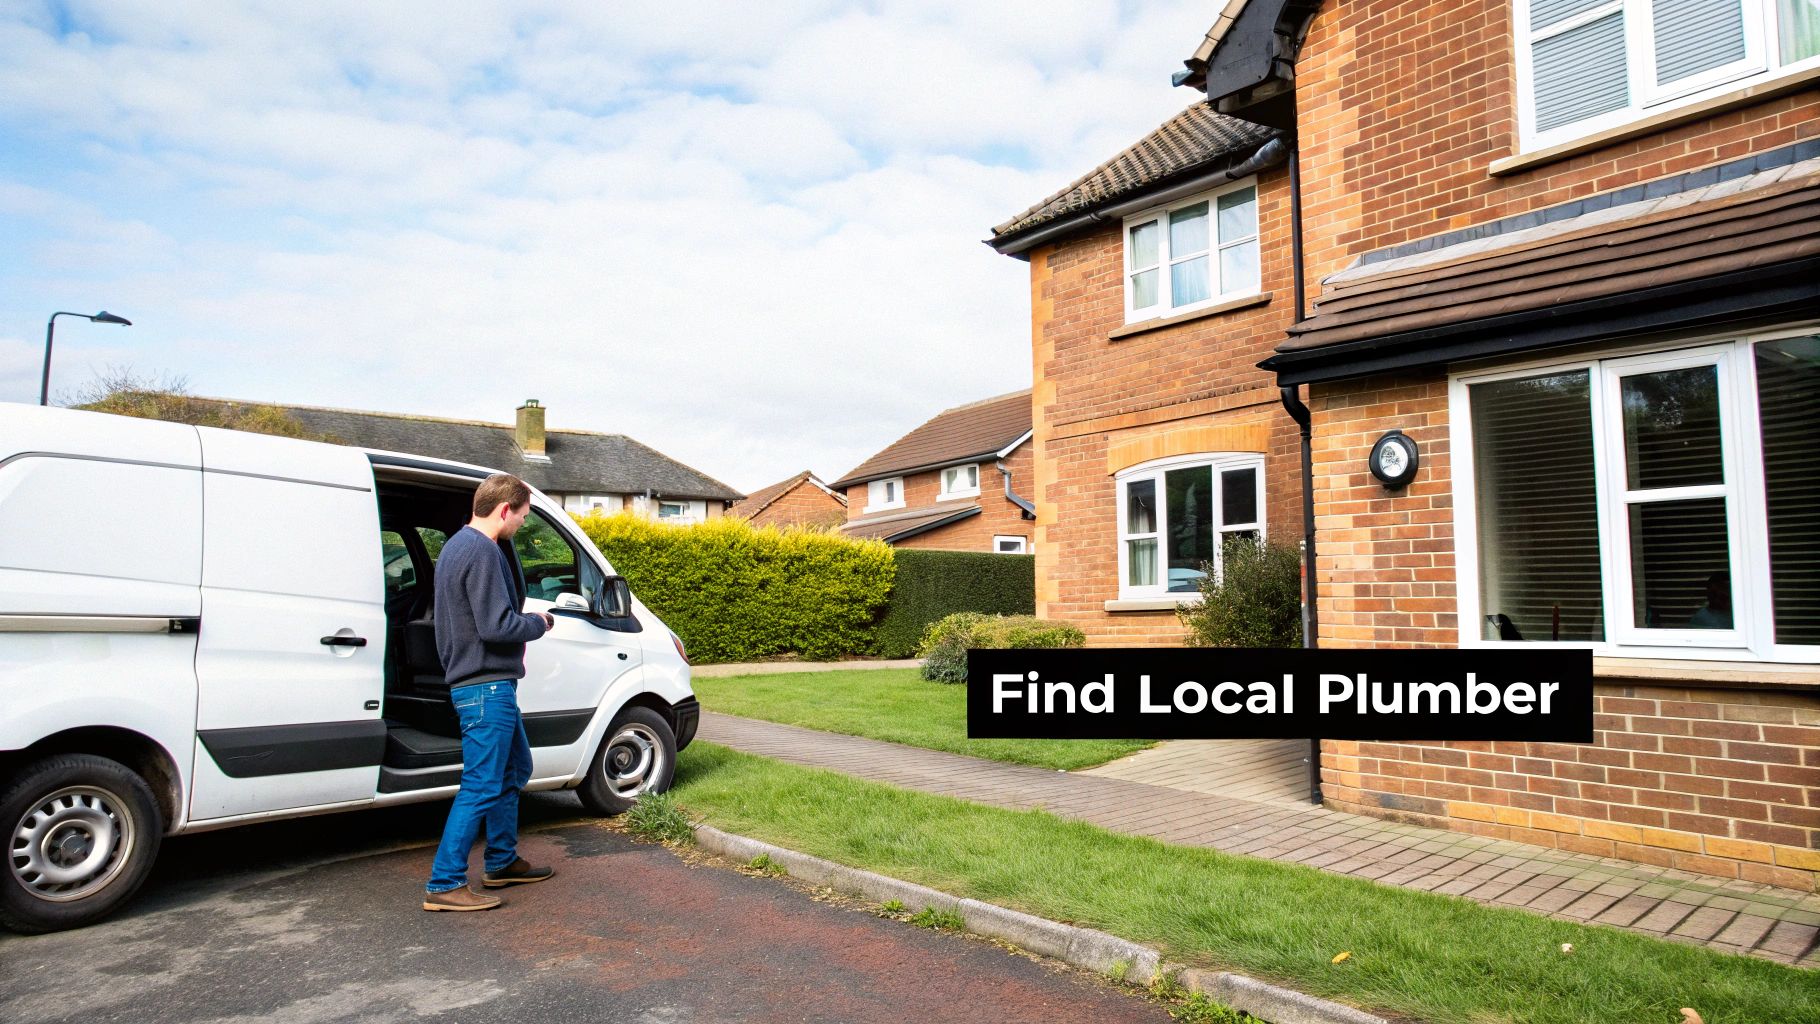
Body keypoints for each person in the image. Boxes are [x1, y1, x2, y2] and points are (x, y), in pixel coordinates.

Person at [422, 473, 559, 911]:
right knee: (481, 784)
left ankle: (500, 862)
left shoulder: (458, 546)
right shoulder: (481, 552)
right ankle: (444, 884)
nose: (521, 524)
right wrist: (541, 623)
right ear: (505, 510)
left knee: (515, 769)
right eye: (521, 516)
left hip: (485, 686)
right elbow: (496, 626)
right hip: (486, 688)